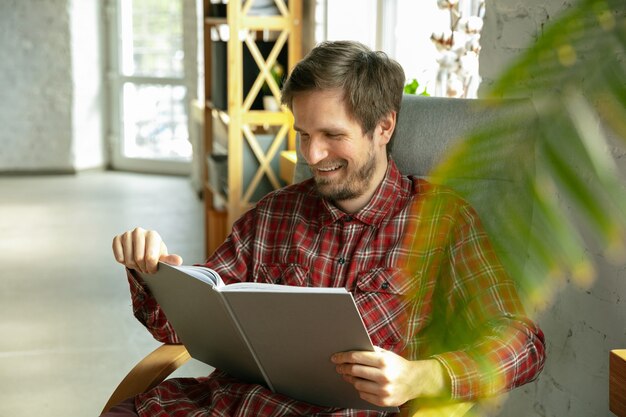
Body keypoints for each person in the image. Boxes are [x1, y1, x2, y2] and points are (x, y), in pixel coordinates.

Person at [109, 40, 545, 417]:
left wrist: (422, 376)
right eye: (303, 134)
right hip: (223, 404)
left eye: (332, 135)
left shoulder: (443, 220)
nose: (314, 155)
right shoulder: (276, 212)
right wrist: (155, 272)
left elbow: (523, 343)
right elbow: (184, 326)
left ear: (384, 126)